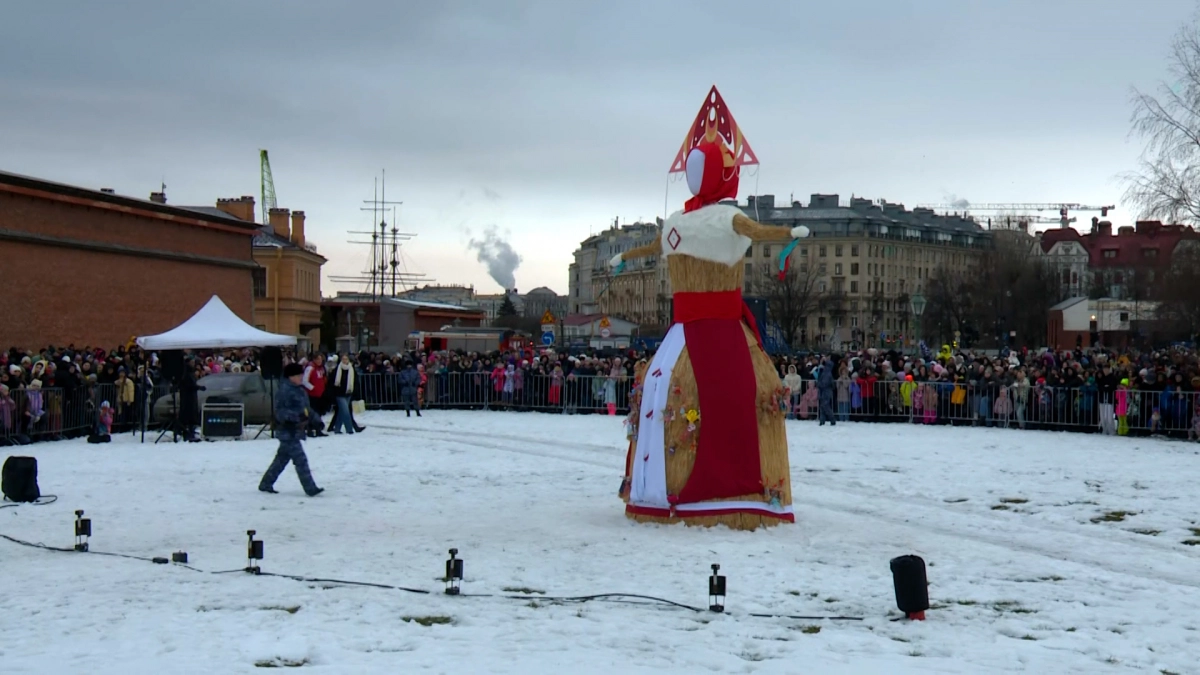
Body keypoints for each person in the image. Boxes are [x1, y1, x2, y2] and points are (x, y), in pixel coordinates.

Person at [259, 363, 324, 497]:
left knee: (281, 460)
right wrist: (295, 417)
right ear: (290, 377)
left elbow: (306, 409)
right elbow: (279, 412)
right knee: (301, 460)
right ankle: (310, 488)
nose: (301, 377)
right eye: (298, 375)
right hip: (287, 431)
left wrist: (316, 420)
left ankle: (266, 483)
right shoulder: (284, 391)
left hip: (295, 431)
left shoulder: (300, 390)